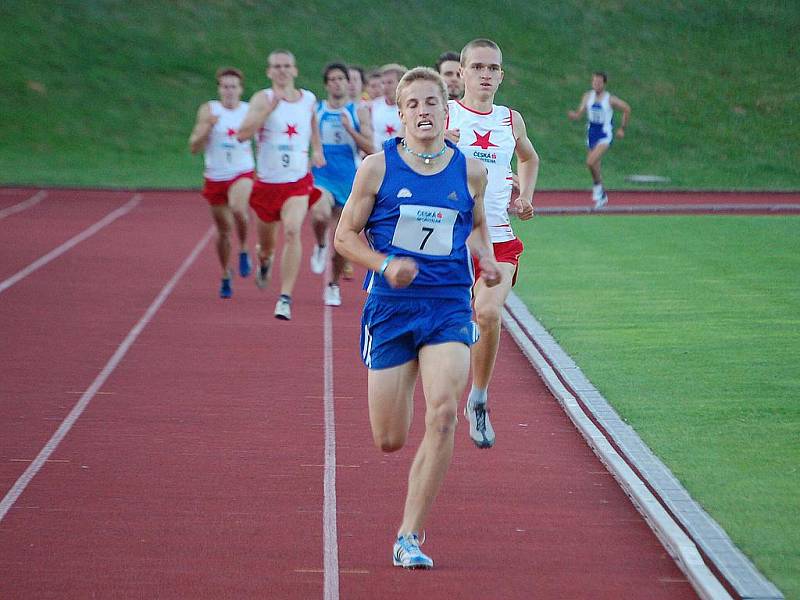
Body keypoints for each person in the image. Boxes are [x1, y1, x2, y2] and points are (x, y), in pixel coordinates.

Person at [334, 67, 501, 569]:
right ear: (400, 113)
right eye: (415, 104)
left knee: (444, 413)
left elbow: (472, 226)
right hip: (389, 308)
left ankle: (409, 535)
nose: (425, 112)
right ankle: (401, 384)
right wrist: (386, 265)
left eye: (434, 103)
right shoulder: (376, 168)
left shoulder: (469, 170)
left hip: (448, 302)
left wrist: (486, 258)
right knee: (390, 439)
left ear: (446, 111)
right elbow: (345, 238)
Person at [446, 38, 539, 448]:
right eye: (478, 67)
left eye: (493, 68)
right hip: (447, 242)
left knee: (486, 313)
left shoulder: (510, 120)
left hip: (499, 242)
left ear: (502, 75)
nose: (486, 75)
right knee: (444, 329)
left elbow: (529, 159)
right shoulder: (444, 115)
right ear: (462, 72)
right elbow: (405, 161)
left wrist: (525, 197)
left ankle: (478, 398)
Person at [237, 49, 325, 320]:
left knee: (291, 230)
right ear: (269, 71)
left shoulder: (308, 99)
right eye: (276, 66)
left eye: (287, 65)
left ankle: (285, 297)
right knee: (267, 245)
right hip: (266, 185)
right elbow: (243, 134)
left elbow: (312, 126)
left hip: (297, 182)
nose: (282, 70)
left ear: (295, 70)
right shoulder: (261, 99)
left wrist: (317, 151)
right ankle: (264, 259)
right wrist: (266, 112)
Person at [308, 62, 374, 306]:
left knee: (342, 242)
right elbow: (309, 140)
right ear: (326, 85)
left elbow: (369, 147)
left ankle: (333, 284)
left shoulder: (358, 112)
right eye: (332, 79)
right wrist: (313, 154)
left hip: (349, 181)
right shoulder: (317, 110)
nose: (337, 83)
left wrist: (350, 130)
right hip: (322, 176)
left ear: (349, 83)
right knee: (319, 213)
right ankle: (319, 244)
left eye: (341, 79)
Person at [189, 66, 255, 299]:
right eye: (225, 87)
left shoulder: (248, 111)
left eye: (233, 87)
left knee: (239, 208)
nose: (229, 91)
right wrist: (207, 127)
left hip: (242, 172)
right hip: (215, 176)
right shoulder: (209, 110)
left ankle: (245, 249)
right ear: (219, 89)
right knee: (224, 231)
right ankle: (226, 273)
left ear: (240, 89)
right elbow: (194, 147)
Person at [567, 71, 631, 209]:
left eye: (599, 82)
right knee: (594, 166)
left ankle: (598, 189)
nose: (596, 84)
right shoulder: (587, 96)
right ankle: (601, 194)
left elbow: (626, 109)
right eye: (594, 82)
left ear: (604, 84)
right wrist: (574, 115)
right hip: (592, 133)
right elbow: (580, 113)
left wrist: (622, 128)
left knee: (590, 162)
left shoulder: (609, 99)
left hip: (604, 134)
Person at [370, 64, 406, 151]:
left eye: (390, 83)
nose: (385, 87)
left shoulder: (410, 108)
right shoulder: (373, 106)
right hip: (379, 157)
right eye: (383, 83)